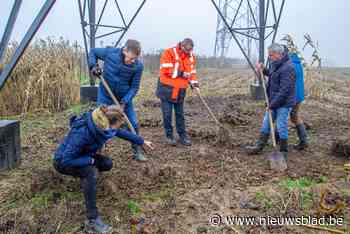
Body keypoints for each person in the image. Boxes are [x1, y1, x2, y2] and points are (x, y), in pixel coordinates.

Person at [53, 105, 153, 233]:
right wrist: (90, 161)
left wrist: (141, 141)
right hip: (63, 162)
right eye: (118, 125)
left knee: (107, 164)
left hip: (83, 155)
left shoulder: (102, 123)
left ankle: (88, 182)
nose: (118, 128)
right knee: (91, 172)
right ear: (110, 123)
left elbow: (120, 132)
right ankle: (92, 220)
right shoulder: (83, 132)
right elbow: (66, 159)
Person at [88, 39, 147, 161]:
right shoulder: (111, 53)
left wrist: (124, 101)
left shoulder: (138, 67)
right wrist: (94, 66)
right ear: (124, 50)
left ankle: (137, 150)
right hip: (105, 94)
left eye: (135, 58)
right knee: (100, 122)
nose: (133, 61)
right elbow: (93, 52)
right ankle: (96, 151)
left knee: (134, 123)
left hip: (124, 98)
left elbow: (134, 87)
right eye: (131, 58)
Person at [247, 43, 296, 158]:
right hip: (273, 101)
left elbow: (284, 91)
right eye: (269, 55)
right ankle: (259, 146)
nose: (269, 57)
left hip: (283, 103)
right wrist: (264, 70)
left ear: (279, 54)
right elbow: (272, 75)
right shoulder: (276, 64)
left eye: (271, 55)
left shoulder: (288, 68)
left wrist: (272, 104)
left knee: (281, 126)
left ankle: (283, 151)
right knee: (266, 124)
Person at [156, 38, 200, 146]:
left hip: (180, 90)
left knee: (180, 114)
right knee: (167, 115)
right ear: (182, 46)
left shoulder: (191, 57)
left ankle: (182, 136)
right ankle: (169, 136)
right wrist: (182, 73)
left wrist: (195, 85)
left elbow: (192, 72)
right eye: (186, 50)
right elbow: (166, 70)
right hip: (167, 89)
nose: (188, 53)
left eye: (190, 51)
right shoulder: (168, 53)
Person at [289, 52, 309, 150]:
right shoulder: (298, 64)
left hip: (292, 96)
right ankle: (304, 140)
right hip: (299, 96)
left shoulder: (290, 65)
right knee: (294, 116)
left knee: (282, 116)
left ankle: (277, 137)